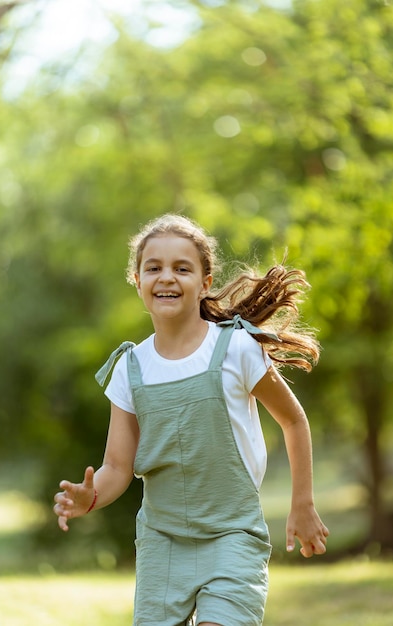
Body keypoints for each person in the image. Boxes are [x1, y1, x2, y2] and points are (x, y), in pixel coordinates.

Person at [53, 213, 329, 626]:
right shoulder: (131, 368)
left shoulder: (236, 348)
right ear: (137, 280)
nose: (167, 277)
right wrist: (89, 498)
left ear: (204, 282)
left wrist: (302, 504)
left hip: (232, 535)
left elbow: (293, 421)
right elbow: (116, 467)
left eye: (182, 268)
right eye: (154, 268)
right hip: (162, 544)